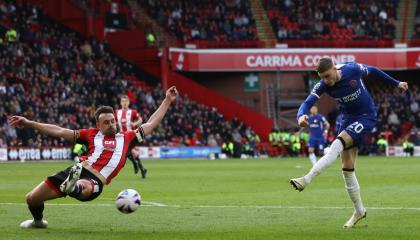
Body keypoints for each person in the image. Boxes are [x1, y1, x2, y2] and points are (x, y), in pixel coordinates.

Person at [8, 86, 178, 229]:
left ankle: (72, 187)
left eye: (112, 121)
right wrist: (30, 123)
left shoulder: (127, 138)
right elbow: (59, 131)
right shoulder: (90, 134)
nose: (111, 124)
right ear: (98, 125)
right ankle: (38, 222)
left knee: (85, 186)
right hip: (77, 169)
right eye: (106, 122)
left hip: (95, 180)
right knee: (31, 199)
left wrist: (167, 100)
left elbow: (151, 123)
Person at [290, 57, 408, 228]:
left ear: (334, 69)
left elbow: (373, 70)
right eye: (322, 77)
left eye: (327, 76)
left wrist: (396, 83)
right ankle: (359, 211)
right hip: (347, 120)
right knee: (347, 169)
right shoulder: (323, 85)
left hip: (366, 116)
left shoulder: (352, 70)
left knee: (337, 145)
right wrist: (300, 115)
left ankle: (306, 179)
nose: (326, 81)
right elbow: (308, 102)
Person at [115, 95, 148, 178]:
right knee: (128, 152)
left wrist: (134, 123)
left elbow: (140, 119)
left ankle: (136, 165)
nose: (124, 103)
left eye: (126, 101)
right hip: (122, 136)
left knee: (129, 151)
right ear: (120, 103)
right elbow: (113, 122)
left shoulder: (132, 112)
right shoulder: (117, 112)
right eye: (123, 101)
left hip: (132, 135)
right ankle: (141, 168)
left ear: (129, 103)